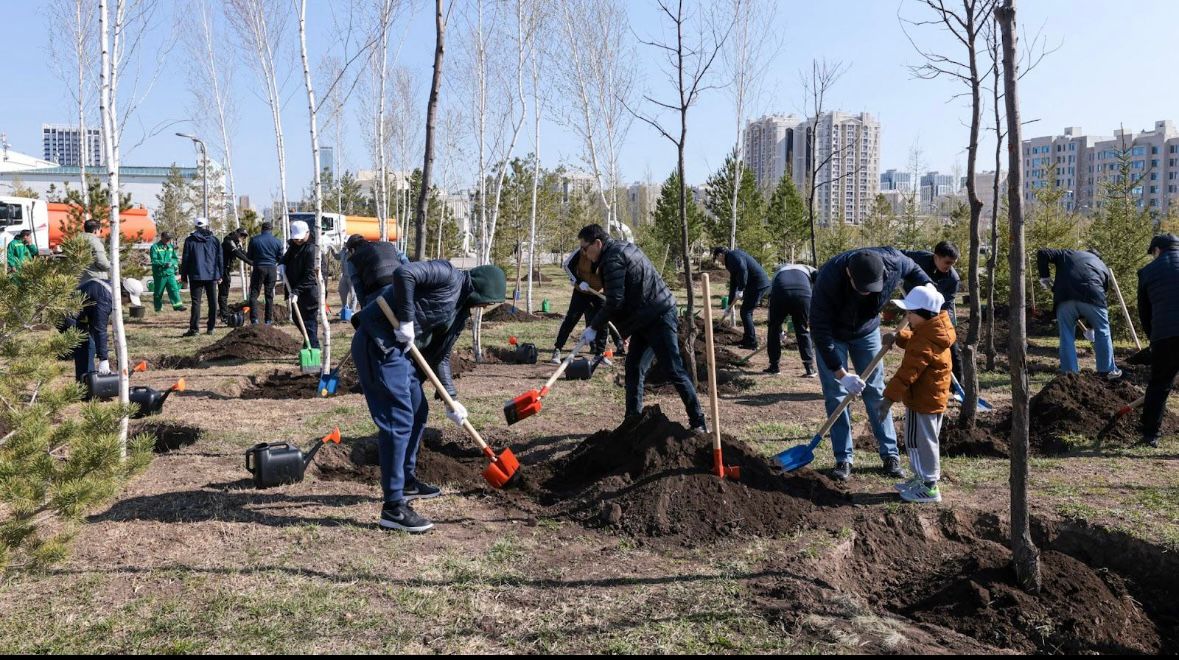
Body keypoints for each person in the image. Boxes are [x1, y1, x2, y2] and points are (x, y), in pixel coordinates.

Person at [350, 261, 507, 533]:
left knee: (418, 411)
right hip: (379, 344)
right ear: (479, 290)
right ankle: (393, 507)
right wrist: (408, 321)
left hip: (401, 352)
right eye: (486, 302)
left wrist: (451, 399)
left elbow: (442, 356)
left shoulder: (461, 311)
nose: (483, 308)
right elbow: (404, 273)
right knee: (398, 420)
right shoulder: (447, 276)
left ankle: (407, 481)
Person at [811, 247, 933, 481]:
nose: (867, 294)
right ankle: (843, 458)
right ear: (849, 274)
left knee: (876, 392)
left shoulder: (893, 262)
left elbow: (915, 269)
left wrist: (926, 286)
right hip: (833, 334)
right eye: (862, 289)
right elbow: (820, 330)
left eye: (872, 288)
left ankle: (890, 455)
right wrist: (842, 374)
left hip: (866, 332)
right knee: (836, 395)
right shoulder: (829, 277)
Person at [579, 224, 708, 433]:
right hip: (644, 317)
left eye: (585, 249)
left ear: (598, 243)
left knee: (674, 369)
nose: (584, 254)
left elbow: (615, 301)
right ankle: (632, 423)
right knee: (634, 369)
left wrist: (594, 327)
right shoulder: (620, 249)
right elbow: (628, 294)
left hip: (658, 316)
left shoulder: (612, 259)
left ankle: (699, 423)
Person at [878, 284, 956, 504]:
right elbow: (914, 339)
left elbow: (907, 372)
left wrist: (888, 398)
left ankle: (930, 486)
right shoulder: (931, 330)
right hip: (921, 397)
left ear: (924, 314)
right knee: (914, 439)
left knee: (924, 441)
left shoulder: (927, 339)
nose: (907, 315)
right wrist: (898, 337)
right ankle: (920, 478)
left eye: (910, 312)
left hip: (926, 400)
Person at [1036, 247, 1121, 379]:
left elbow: (1043, 252)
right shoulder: (1102, 266)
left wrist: (1044, 276)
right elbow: (1098, 294)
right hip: (1093, 296)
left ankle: (1070, 373)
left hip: (1065, 298)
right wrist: (1093, 328)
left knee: (1066, 335)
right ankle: (1107, 371)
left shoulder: (1067, 253)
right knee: (1103, 332)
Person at [1137, 233, 1179, 448]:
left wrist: (1153, 338)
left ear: (1157, 250)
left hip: (1164, 336)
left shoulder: (1147, 272)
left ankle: (1150, 435)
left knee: (1159, 385)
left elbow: (1144, 311)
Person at [551, 244, 625, 365]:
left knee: (603, 322)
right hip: (581, 291)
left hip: (599, 292)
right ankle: (557, 349)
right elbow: (567, 265)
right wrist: (578, 281)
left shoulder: (606, 255)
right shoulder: (581, 251)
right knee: (571, 319)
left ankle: (599, 354)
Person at [903, 241, 962, 380]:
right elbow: (898, 257)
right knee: (917, 347)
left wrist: (932, 326)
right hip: (916, 311)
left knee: (950, 346)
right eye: (947, 262)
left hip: (940, 313)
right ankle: (919, 378)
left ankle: (958, 384)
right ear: (936, 257)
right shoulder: (919, 258)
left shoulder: (953, 279)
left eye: (953, 263)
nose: (950, 267)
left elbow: (944, 305)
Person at [712, 246, 772, 349]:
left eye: (717, 259)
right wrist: (729, 305)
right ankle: (748, 338)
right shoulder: (730, 259)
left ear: (720, 255)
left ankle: (751, 343)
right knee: (747, 312)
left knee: (745, 312)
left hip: (758, 284)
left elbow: (743, 270)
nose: (718, 262)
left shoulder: (733, 256)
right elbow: (733, 282)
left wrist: (741, 288)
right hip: (755, 284)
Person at [765, 263, 817, 377]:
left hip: (780, 294)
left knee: (773, 329)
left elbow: (770, 295)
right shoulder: (809, 271)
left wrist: (778, 330)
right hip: (803, 296)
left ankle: (774, 366)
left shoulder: (778, 273)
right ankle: (810, 368)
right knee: (802, 330)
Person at [179, 217, 224, 337]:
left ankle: (194, 329)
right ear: (207, 226)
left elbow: (186, 259)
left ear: (195, 227)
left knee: (196, 302)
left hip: (196, 275)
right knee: (212, 301)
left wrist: (184, 276)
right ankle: (211, 328)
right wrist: (220, 274)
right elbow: (220, 258)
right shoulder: (214, 240)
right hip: (212, 274)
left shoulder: (189, 240)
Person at [280, 220, 320, 349]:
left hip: (309, 292)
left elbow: (310, 276)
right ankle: (308, 344)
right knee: (297, 319)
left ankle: (313, 348)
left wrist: (296, 291)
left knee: (308, 322)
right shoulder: (294, 246)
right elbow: (286, 257)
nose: (297, 241)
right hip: (295, 290)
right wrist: (282, 264)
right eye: (295, 239)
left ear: (307, 233)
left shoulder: (312, 249)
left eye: (300, 238)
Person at [345, 234, 409, 307]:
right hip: (400, 285)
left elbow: (358, 287)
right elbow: (406, 264)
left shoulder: (352, 260)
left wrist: (364, 307)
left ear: (352, 250)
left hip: (377, 293)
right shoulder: (389, 245)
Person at [246, 221, 284, 324]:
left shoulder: (254, 240)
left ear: (262, 229)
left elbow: (249, 256)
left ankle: (254, 319)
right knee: (269, 294)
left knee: (254, 294)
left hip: (258, 268)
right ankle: (268, 320)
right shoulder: (277, 241)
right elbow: (280, 258)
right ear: (271, 230)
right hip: (271, 269)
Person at [218, 227, 253, 319]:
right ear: (236, 233)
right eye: (241, 235)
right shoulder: (228, 241)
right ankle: (224, 315)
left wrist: (254, 259)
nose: (243, 237)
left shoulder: (236, 243)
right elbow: (238, 254)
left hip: (226, 269)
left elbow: (243, 253)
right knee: (223, 293)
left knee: (225, 292)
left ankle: (224, 312)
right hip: (222, 270)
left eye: (244, 236)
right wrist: (251, 263)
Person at [149, 232, 185, 312]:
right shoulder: (155, 247)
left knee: (174, 289)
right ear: (161, 237)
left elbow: (174, 258)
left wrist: (174, 264)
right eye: (166, 238)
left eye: (169, 239)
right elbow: (154, 260)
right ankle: (158, 308)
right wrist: (164, 263)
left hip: (170, 273)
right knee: (159, 292)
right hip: (160, 274)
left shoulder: (170, 247)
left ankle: (178, 306)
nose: (168, 240)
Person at [81, 219, 111, 285]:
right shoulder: (95, 242)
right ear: (95, 230)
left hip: (80, 280)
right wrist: (111, 265)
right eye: (100, 230)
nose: (100, 233)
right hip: (95, 281)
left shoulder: (77, 239)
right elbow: (102, 263)